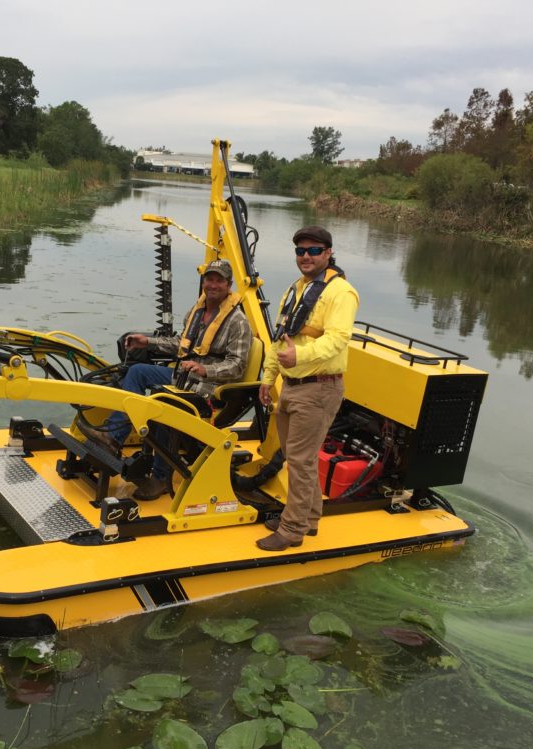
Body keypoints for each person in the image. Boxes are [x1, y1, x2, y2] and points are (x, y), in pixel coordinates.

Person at [83, 259, 252, 500]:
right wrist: (148, 342)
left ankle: (161, 478)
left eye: (219, 280)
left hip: (209, 387)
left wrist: (205, 370)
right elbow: (180, 345)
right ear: (203, 281)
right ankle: (113, 436)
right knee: (138, 371)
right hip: (184, 377)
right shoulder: (197, 312)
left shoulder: (238, 322)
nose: (213, 285)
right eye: (209, 279)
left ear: (228, 284)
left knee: (166, 405)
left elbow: (238, 366)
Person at [256, 226, 359, 551]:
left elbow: (338, 339)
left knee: (299, 460)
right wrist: (268, 376)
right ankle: (310, 517)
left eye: (314, 250)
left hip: (318, 388)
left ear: (328, 253)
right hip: (292, 384)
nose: (306, 257)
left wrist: (300, 354)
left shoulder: (340, 292)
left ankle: (292, 530)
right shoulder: (297, 289)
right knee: (297, 457)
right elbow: (281, 336)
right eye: (300, 251)